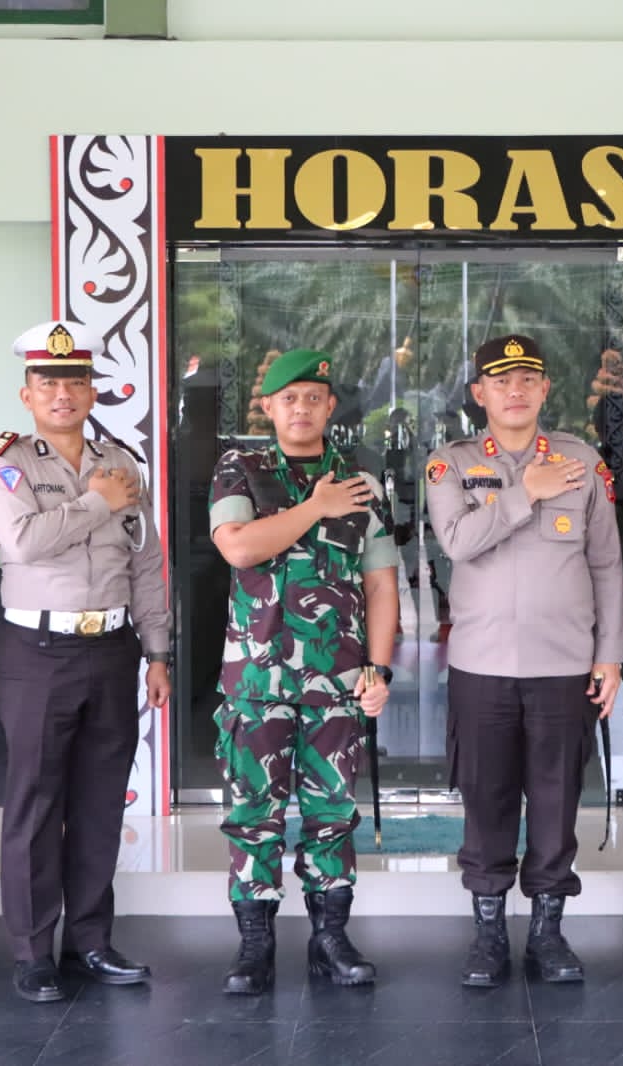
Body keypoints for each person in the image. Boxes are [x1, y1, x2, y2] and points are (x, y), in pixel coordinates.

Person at [0, 320, 172, 1004]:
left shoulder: (121, 461)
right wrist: (97, 502)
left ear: (94, 390)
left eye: (75, 380)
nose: (63, 393)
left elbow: (146, 561)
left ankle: (89, 940)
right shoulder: (6, 462)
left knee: (97, 802)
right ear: (27, 393)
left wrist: (157, 649)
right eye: (48, 382)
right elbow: (25, 543)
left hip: (113, 648)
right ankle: (33, 952)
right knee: (35, 800)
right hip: (39, 650)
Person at [425, 334, 623, 988]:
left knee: (554, 799)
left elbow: (606, 563)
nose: (514, 391)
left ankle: (547, 932)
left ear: (544, 390)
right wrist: (525, 493)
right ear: (479, 393)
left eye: (527, 380)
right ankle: (488, 935)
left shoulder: (581, 461)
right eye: (500, 381)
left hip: (564, 665)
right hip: (482, 666)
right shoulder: (449, 465)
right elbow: (457, 541)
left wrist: (611, 655)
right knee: (486, 800)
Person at [208, 348, 400, 996]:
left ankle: (329, 938)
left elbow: (381, 585)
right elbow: (238, 546)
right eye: (288, 398)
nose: (301, 408)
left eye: (314, 397)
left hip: (336, 685)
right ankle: (254, 943)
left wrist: (378, 670)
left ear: (330, 407)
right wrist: (315, 508)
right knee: (254, 814)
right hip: (258, 681)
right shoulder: (241, 468)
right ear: (267, 407)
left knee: (332, 813)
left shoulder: (360, 481)